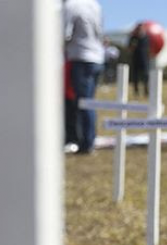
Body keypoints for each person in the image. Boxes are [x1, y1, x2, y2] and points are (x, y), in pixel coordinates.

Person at [64, 0, 105, 155]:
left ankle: (86, 143)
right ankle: (90, 139)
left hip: (80, 57)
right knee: (89, 102)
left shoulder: (71, 5)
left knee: (82, 102)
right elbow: (100, 31)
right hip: (97, 57)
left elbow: (65, 33)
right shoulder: (95, 5)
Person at [128, 23, 150, 97]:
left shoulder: (146, 37)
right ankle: (136, 92)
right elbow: (129, 48)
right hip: (135, 59)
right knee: (135, 77)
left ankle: (146, 91)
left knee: (145, 76)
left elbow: (149, 49)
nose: (139, 30)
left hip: (144, 60)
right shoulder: (133, 37)